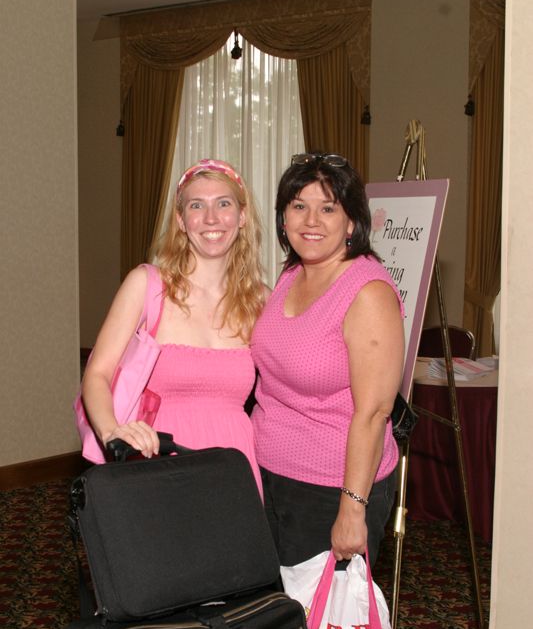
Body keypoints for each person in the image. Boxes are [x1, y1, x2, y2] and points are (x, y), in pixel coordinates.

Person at [250, 152, 405, 565]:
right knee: (271, 620)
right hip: (266, 475)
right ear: (284, 218)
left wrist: (353, 508)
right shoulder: (291, 274)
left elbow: (374, 412)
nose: (311, 221)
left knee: (322, 625)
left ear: (352, 221)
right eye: (299, 206)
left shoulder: (368, 293)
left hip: (331, 488)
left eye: (327, 208)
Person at [81, 158, 267, 496]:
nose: (211, 218)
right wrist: (111, 433)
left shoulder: (260, 303)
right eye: (197, 205)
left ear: (241, 217)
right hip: (159, 466)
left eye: (223, 203)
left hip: (235, 473)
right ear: (181, 221)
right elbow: (97, 374)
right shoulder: (147, 285)